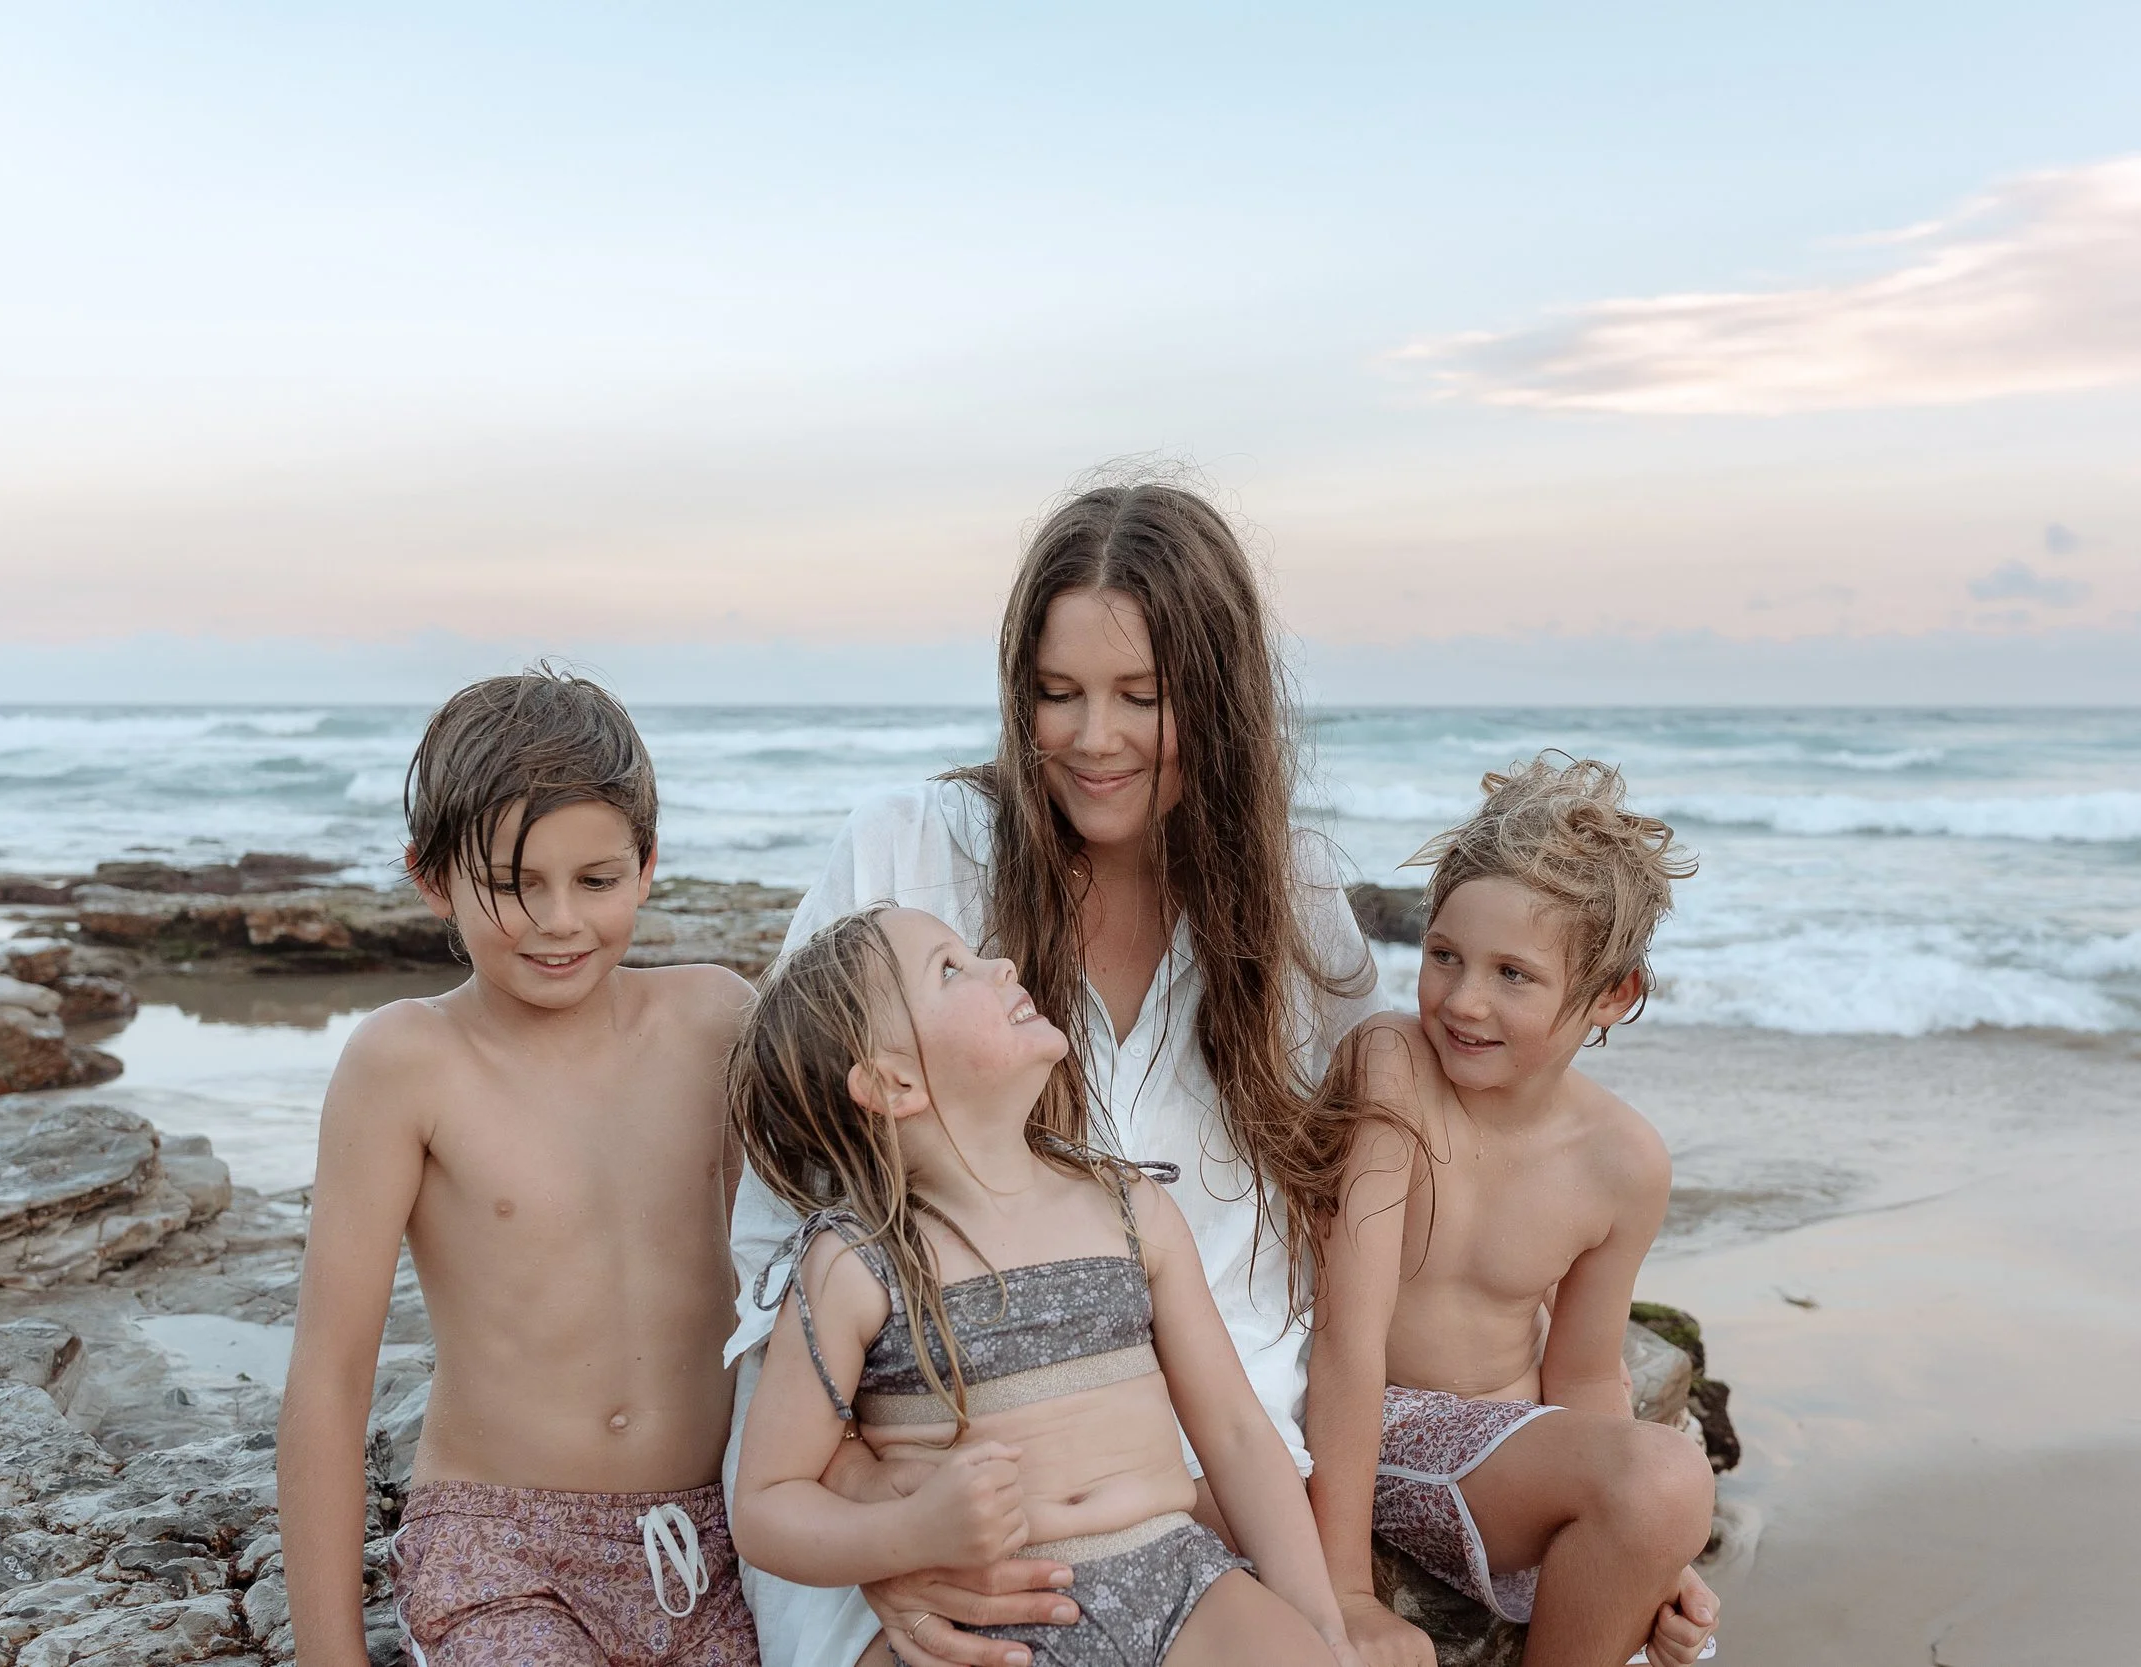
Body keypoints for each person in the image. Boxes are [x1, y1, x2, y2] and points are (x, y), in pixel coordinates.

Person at [726, 479, 1383, 1667]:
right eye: (1056, 691)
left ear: (1219, 697)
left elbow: (1341, 1236)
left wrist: (1334, 1592)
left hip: (1193, 1485)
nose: (1092, 738)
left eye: (1142, 694)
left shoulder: (1293, 905)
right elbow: (776, 1222)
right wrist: (891, 1527)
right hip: (926, 1488)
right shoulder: (907, 854)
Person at [729, 906, 1363, 1667]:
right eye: (950, 969)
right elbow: (767, 1503)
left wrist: (1323, 1624)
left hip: (1178, 1579)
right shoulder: (857, 1265)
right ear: (894, 1082)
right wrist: (903, 1536)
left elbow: (1235, 1431)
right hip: (989, 1619)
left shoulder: (1128, 1208)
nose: (1000, 965)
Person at [278, 671, 758, 1667]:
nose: (558, 919)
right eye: (513, 884)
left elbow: (808, 1267)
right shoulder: (407, 1062)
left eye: (596, 880)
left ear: (648, 865)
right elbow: (330, 1376)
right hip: (500, 1542)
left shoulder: (715, 1020)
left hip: (721, 1529)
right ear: (431, 878)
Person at [1302, 756, 1721, 1667]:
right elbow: (1345, 1340)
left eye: (1513, 974)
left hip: (1505, 1460)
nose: (1463, 1000)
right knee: (1666, 1478)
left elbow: (1584, 1375)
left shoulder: (1624, 1159)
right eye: (1443, 954)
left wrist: (1655, 1546)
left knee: (1663, 1492)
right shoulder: (1392, 1065)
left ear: (1613, 993)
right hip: (1379, 1428)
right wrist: (1344, 1592)